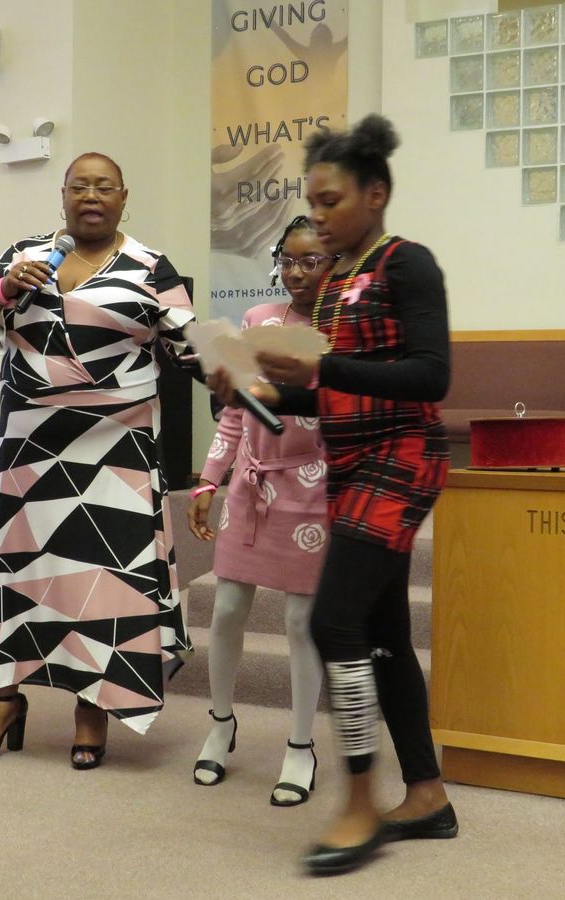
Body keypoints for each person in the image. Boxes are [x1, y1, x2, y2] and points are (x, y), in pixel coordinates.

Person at [212, 115, 456, 874]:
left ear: (374, 194)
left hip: (403, 459)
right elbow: (329, 396)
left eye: (330, 201)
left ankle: (357, 804)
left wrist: (318, 372)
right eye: (311, 202)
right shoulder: (338, 286)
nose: (317, 217)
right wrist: (253, 391)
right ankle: (426, 795)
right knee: (382, 631)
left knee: (332, 618)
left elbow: (431, 377)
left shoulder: (407, 265)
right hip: (352, 465)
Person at [0, 151, 197, 769]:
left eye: (104, 187)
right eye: (79, 186)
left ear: (123, 198)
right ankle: (5, 700)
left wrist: (248, 364)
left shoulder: (150, 267)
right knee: (22, 572)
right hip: (30, 448)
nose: (91, 196)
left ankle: (94, 707)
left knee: (106, 577)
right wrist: (7, 288)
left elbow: (190, 347)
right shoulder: (25, 254)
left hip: (115, 450)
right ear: (62, 195)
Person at [187, 216, 332, 805]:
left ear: (335, 264)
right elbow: (235, 410)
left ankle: (300, 745)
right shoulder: (257, 319)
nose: (297, 272)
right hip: (251, 484)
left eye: (311, 260)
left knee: (300, 622)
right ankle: (221, 723)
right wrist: (209, 479)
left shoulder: (344, 332)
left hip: (313, 487)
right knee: (226, 608)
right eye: (288, 260)